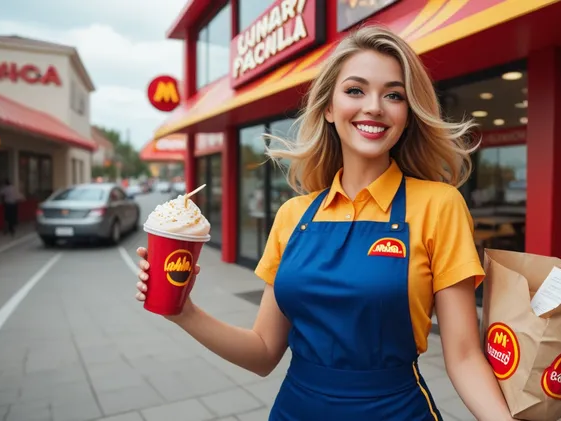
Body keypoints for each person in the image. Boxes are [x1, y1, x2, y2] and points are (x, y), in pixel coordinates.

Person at [134, 26, 515, 421]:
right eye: (355, 90)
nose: (374, 107)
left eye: (394, 95)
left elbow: (465, 357)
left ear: (407, 113)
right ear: (329, 109)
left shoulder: (439, 205)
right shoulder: (292, 216)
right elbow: (264, 351)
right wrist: (184, 312)